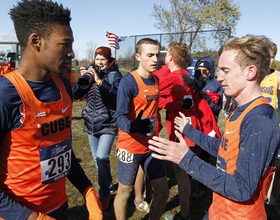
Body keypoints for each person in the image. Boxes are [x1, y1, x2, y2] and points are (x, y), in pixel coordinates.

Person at [148, 35, 280, 219]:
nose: (218, 77)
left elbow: (241, 189)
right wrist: (189, 131)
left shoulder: (259, 119)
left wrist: (187, 159)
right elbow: (224, 148)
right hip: (218, 209)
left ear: (250, 72)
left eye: (225, 70)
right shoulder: (241, 109)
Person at [0, 0, 103, 219]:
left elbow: (61, 148)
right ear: (36, 41)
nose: (72, 53)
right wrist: (29, 217)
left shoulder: (63, 85)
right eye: (64, 44)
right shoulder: (5, 95)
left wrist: (86, 189)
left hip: (59, 206)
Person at [113, 38, 169, 220]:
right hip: (130, 146)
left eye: (157, 55)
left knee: (162, 191)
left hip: (151, 145)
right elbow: (118, 117)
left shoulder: (156, 79)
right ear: (138, 57)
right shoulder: (128, 82)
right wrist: (133, 126)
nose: (155, 59)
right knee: (125, 191)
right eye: (150, 55)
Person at [153, 42, 201, 220]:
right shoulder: (184, 73)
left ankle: (185, 214)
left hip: (181, 125)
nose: (164, 58)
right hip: (185, 123)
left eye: (166, 55)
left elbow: (153, 97)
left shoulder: (174, 76)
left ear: (171, 58)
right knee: (182, 171)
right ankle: (186, 212)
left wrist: (169, 104)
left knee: (181, 172)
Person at [73, 46, 122, 210]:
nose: (99, 62)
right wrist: (82, 80)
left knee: (102, 157)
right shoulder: (89, 74)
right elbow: (75, 95)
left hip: (108, 123)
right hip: (91, 123)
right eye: (97, 59)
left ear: (109, 60)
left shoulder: (115, 75)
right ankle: (107, 185)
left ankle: (104, 195)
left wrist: (99, 81)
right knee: (96, 159)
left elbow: (117, 96)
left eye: (103, 59)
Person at [260, 40, 280, 217]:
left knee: (272, 164)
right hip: (256, 124)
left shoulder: (277, 77)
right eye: (266, 55)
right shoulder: (254, 74)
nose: (269, 59)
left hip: (273, 126)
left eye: (272, 56)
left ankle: (270, 198)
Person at [194, 56, 223, 121]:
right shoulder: (192, 84)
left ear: (210, 71)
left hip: (208, 124)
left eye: (204, 71)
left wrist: (208, 99)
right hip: (193, 122)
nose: (201, 73)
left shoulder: (217, 86)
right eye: (199, 71)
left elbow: (218, 107)